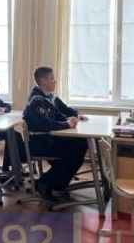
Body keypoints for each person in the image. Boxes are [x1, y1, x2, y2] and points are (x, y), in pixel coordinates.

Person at [23, 66, 89, 200]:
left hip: (47, 138)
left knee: (81, 143)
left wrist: (69, 119)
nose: (55, 81)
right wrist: (67, 124)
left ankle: (55, 183)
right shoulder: (37, 100)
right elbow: (44, 124)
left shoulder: (46, 97)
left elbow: (57, 114)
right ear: (43, 81)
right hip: (38, 142)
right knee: (77, 148)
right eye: (52, 78)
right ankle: (47, 183)